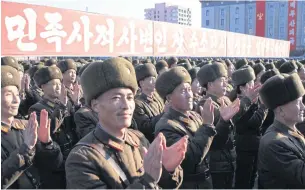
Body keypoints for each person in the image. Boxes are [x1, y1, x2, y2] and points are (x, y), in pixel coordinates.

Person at [65, 58, 186, 189]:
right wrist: (148, 181)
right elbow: (151, 180)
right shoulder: (81, 158)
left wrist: (167, 169)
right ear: (95, 105)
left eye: (129, 98)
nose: (126, 105)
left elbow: (167, 185)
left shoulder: (138, 139)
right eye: (116, 98)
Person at [154, 66, 240, 188]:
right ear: (168, 98)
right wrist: (207, 125)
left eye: (189, 89)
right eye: (183, 91)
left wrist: (224, 122)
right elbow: (190, 159)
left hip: (205, 182)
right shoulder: (166, 126)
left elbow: (214, 144)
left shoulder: (194, 116)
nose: (190, 95)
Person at [1, 65, 63, 189]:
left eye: (17, 94)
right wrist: (25, 149)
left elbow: (55, 165)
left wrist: (48, 145)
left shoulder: (24, 126)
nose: (16, 100)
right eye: (8, 94)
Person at [196, 62, 240, 189]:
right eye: (221, 81)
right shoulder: (207, 105)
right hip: (216, 165)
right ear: (209, 84)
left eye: (226, 80)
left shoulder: (223, 100)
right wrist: (225, 121)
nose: (226, 84)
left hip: (227, 161)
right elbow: (216, 140)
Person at [258, 73, 305, 188]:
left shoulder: (290, 131)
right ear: (281, 110)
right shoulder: (274, 143)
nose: (303, 107)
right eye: (298, 103)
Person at [231, 66, 268, 189]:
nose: (254, 87)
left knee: (251, 180)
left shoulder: (249, 101)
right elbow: (254, 122)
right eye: (251, 83)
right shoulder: (238, 103)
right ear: (241, 88)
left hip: (252, 147)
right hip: (245, 149)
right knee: (244, 182)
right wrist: (263, 106)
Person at [134, 63, 164, 142]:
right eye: (151, 79)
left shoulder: (157, 97)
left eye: (155, 79)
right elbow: (145, 127)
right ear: (141, 83)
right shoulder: (137, 103)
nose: (154, 82)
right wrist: (164, 114)